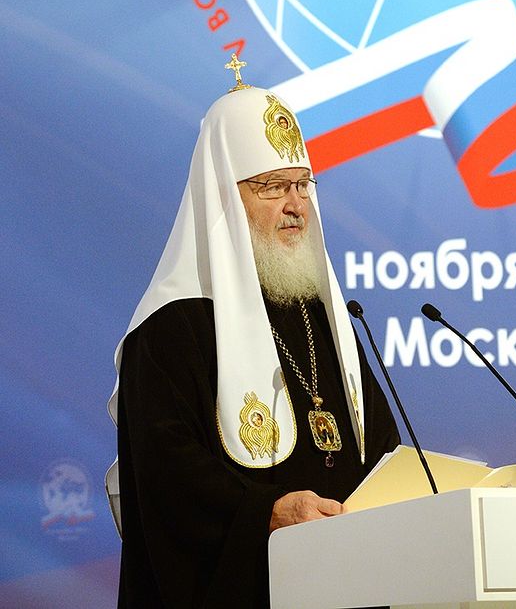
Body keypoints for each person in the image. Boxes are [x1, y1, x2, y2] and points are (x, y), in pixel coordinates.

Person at [106, 78, 399, 609]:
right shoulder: (171, 327)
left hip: (346, 587)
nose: (297, 206)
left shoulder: (324, 318)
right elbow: (165, 481)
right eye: (273, 187)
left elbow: (378, 448)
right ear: (224, 196)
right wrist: (267, 512)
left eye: (303, 185)